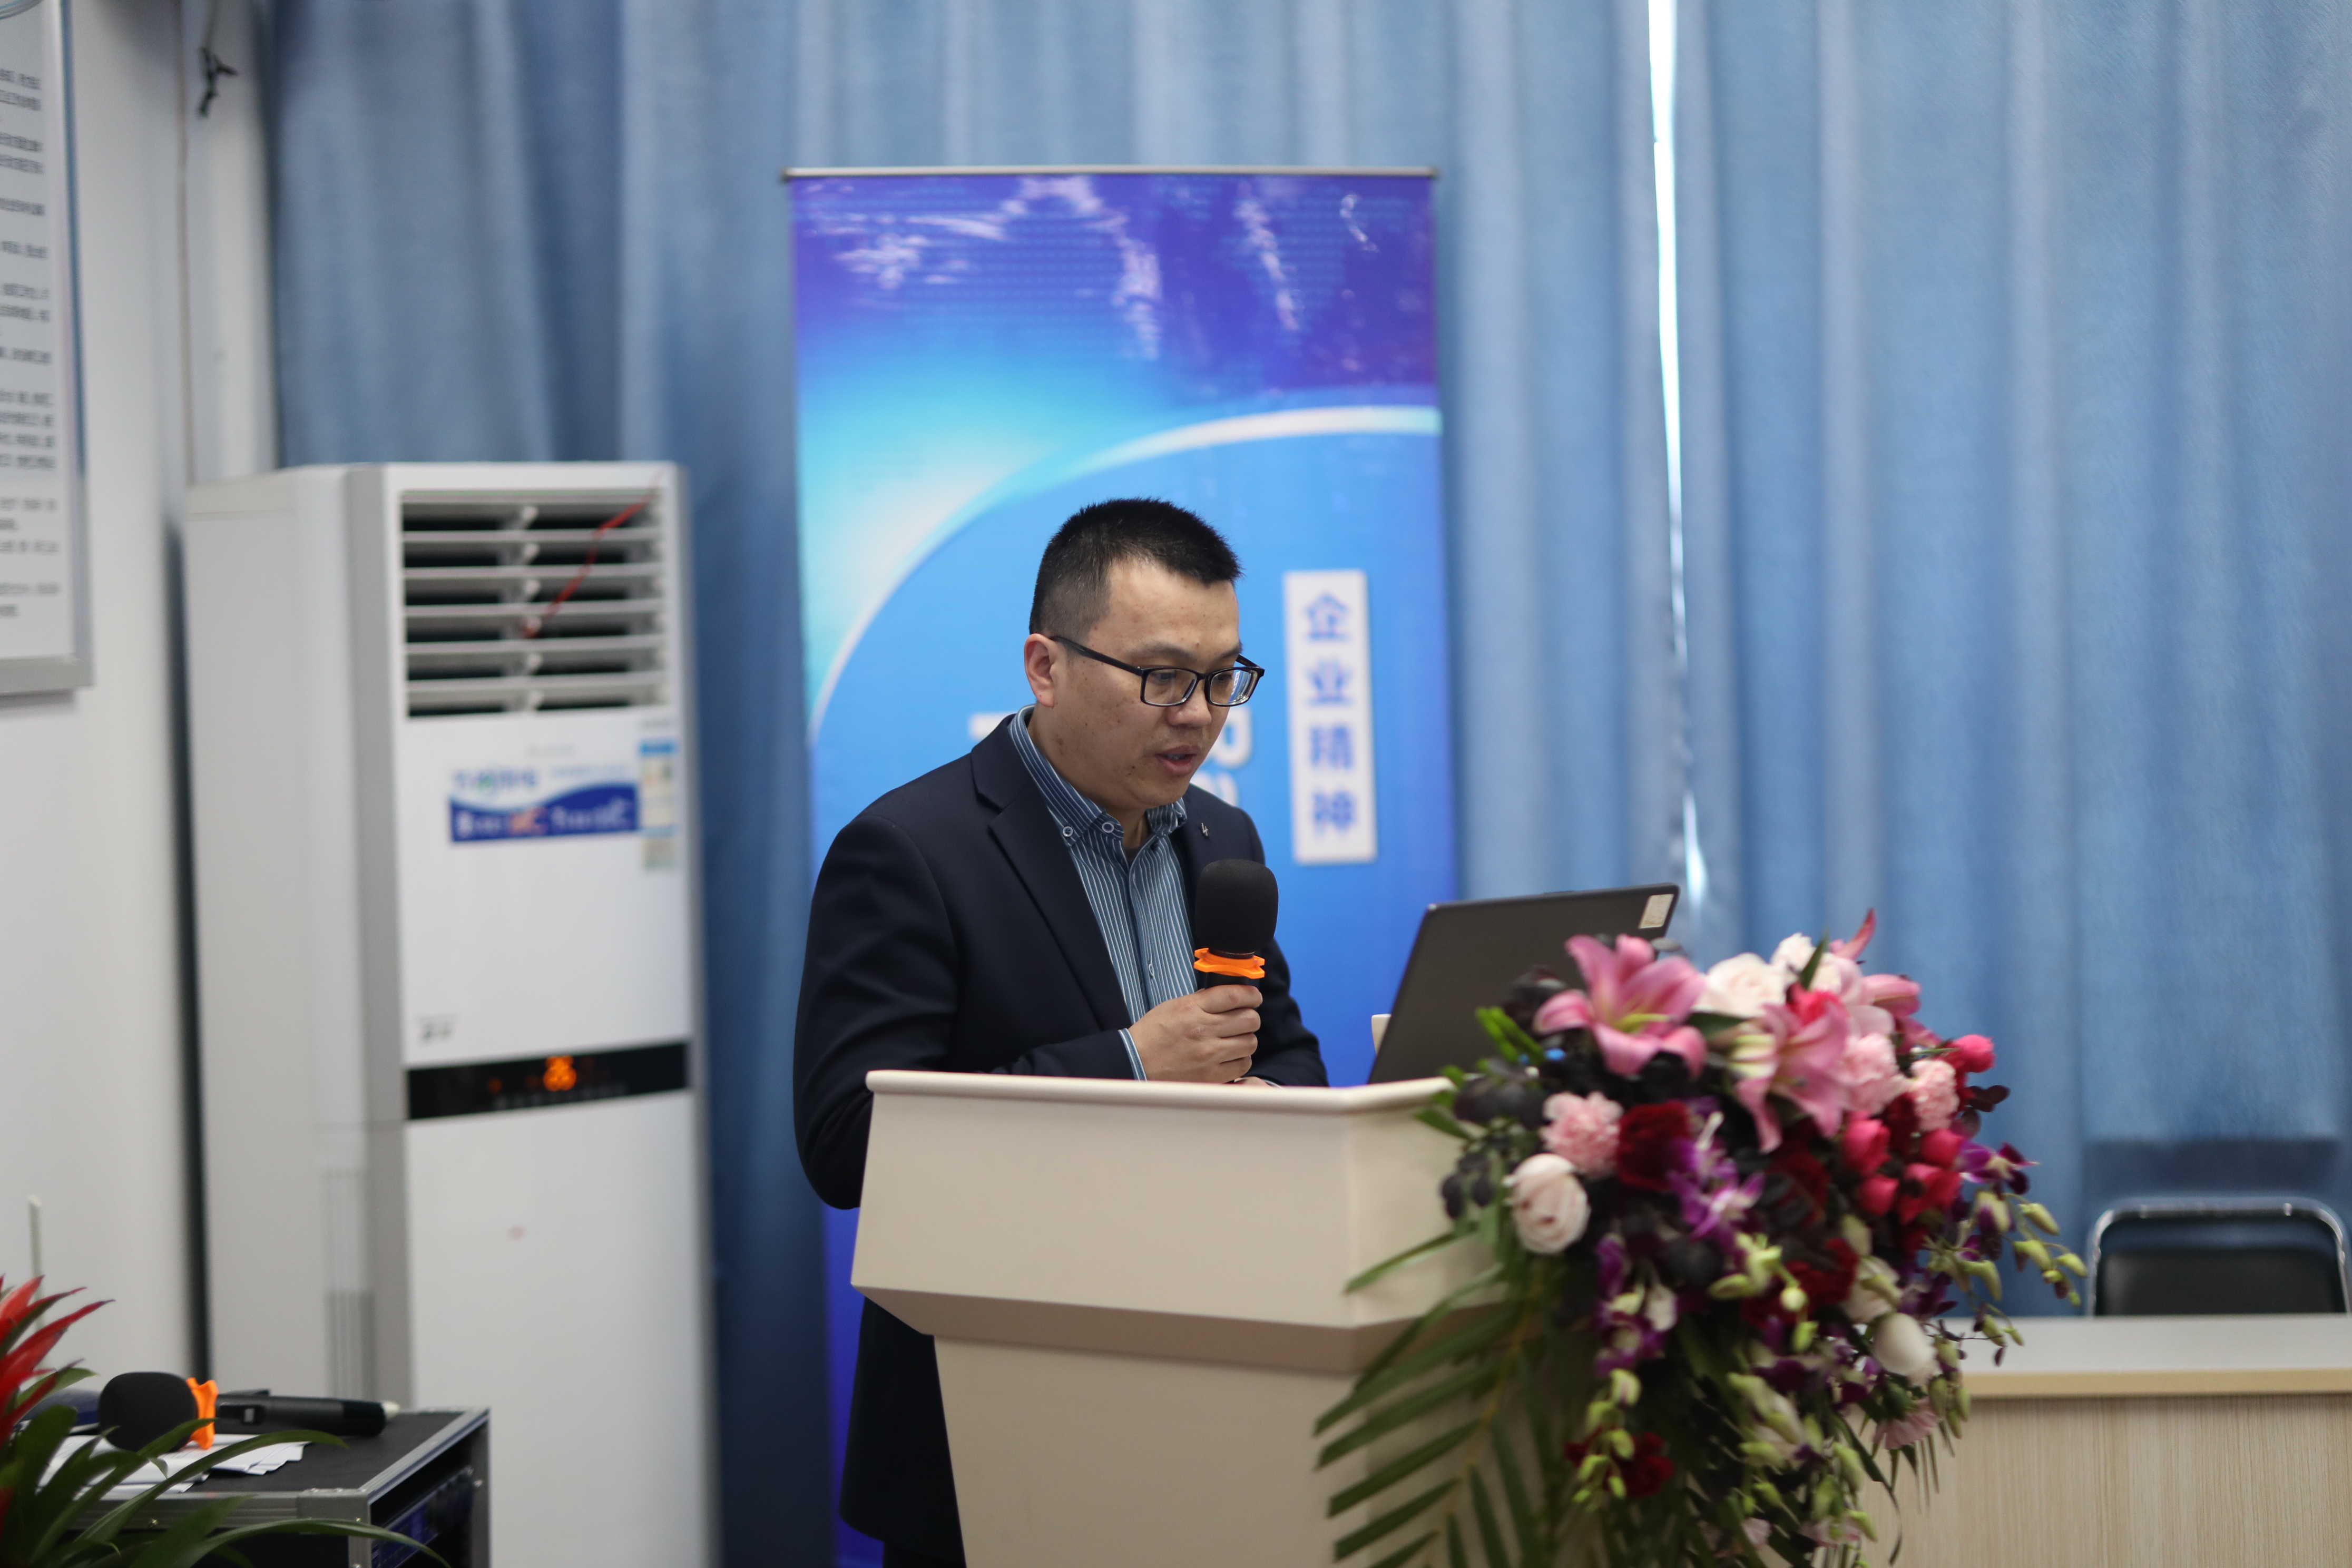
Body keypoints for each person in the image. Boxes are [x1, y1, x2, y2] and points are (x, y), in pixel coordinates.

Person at [795, 497, 1328, 1566]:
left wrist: (1271, 1104)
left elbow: (1282, 1054)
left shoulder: (1223, 836)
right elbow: (849, 1143)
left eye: (1223, 678)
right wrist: (1131, 1065)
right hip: (997, 1421)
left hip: (1219, 1392)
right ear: (1046, 666)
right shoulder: (910, 850)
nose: (1198, 716)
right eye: (1163, 678)